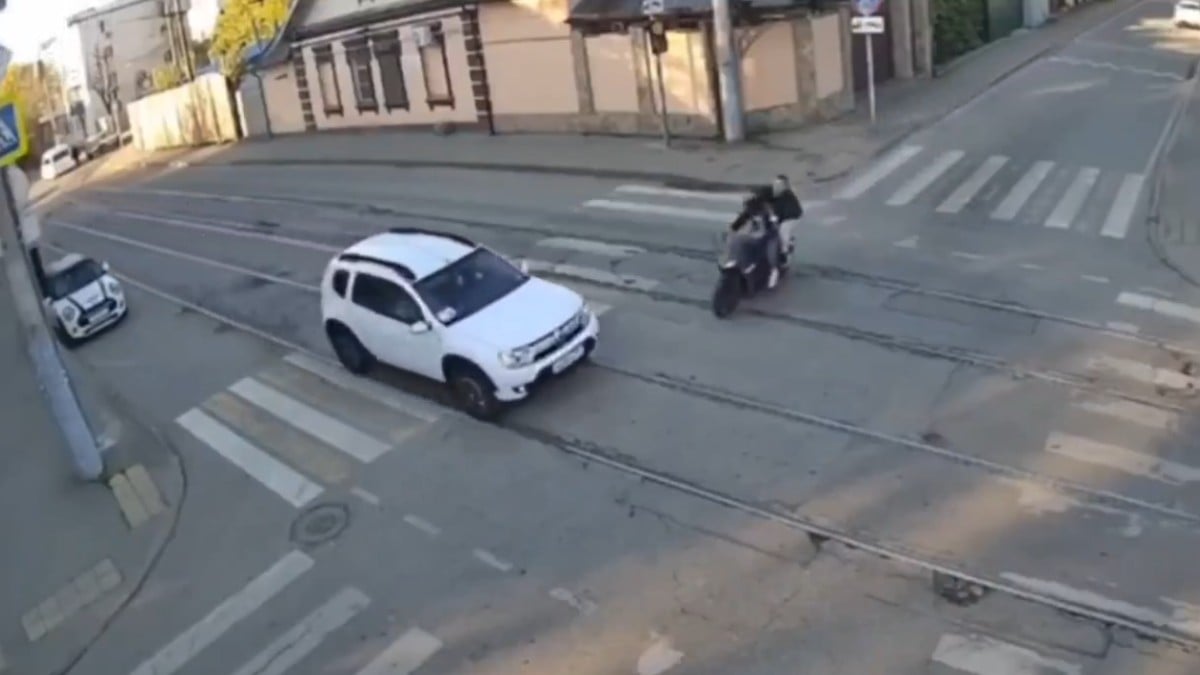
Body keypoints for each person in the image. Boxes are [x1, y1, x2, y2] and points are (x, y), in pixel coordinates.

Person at [730, 186, 782, 288]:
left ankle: (774, 272)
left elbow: (773, 225)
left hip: (769, 237)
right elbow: (740, 221)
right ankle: (737, 262)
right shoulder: (749, 210)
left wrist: (773, 221)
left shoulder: (767, 210)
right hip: (755, 236)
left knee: (771, 254)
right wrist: (733, 229)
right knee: (737, 241)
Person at [769, 174, 802, 259]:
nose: (776, 186)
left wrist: (775, 218)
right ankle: (789, 242)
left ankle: (785, 252)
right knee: (780, 229)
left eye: (779, 185)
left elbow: (780, 209)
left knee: (783, 230)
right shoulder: (781, 194)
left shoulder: (785, 195)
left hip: (792, 216)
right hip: (789, 215)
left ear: (784, 186)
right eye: (775, 184)